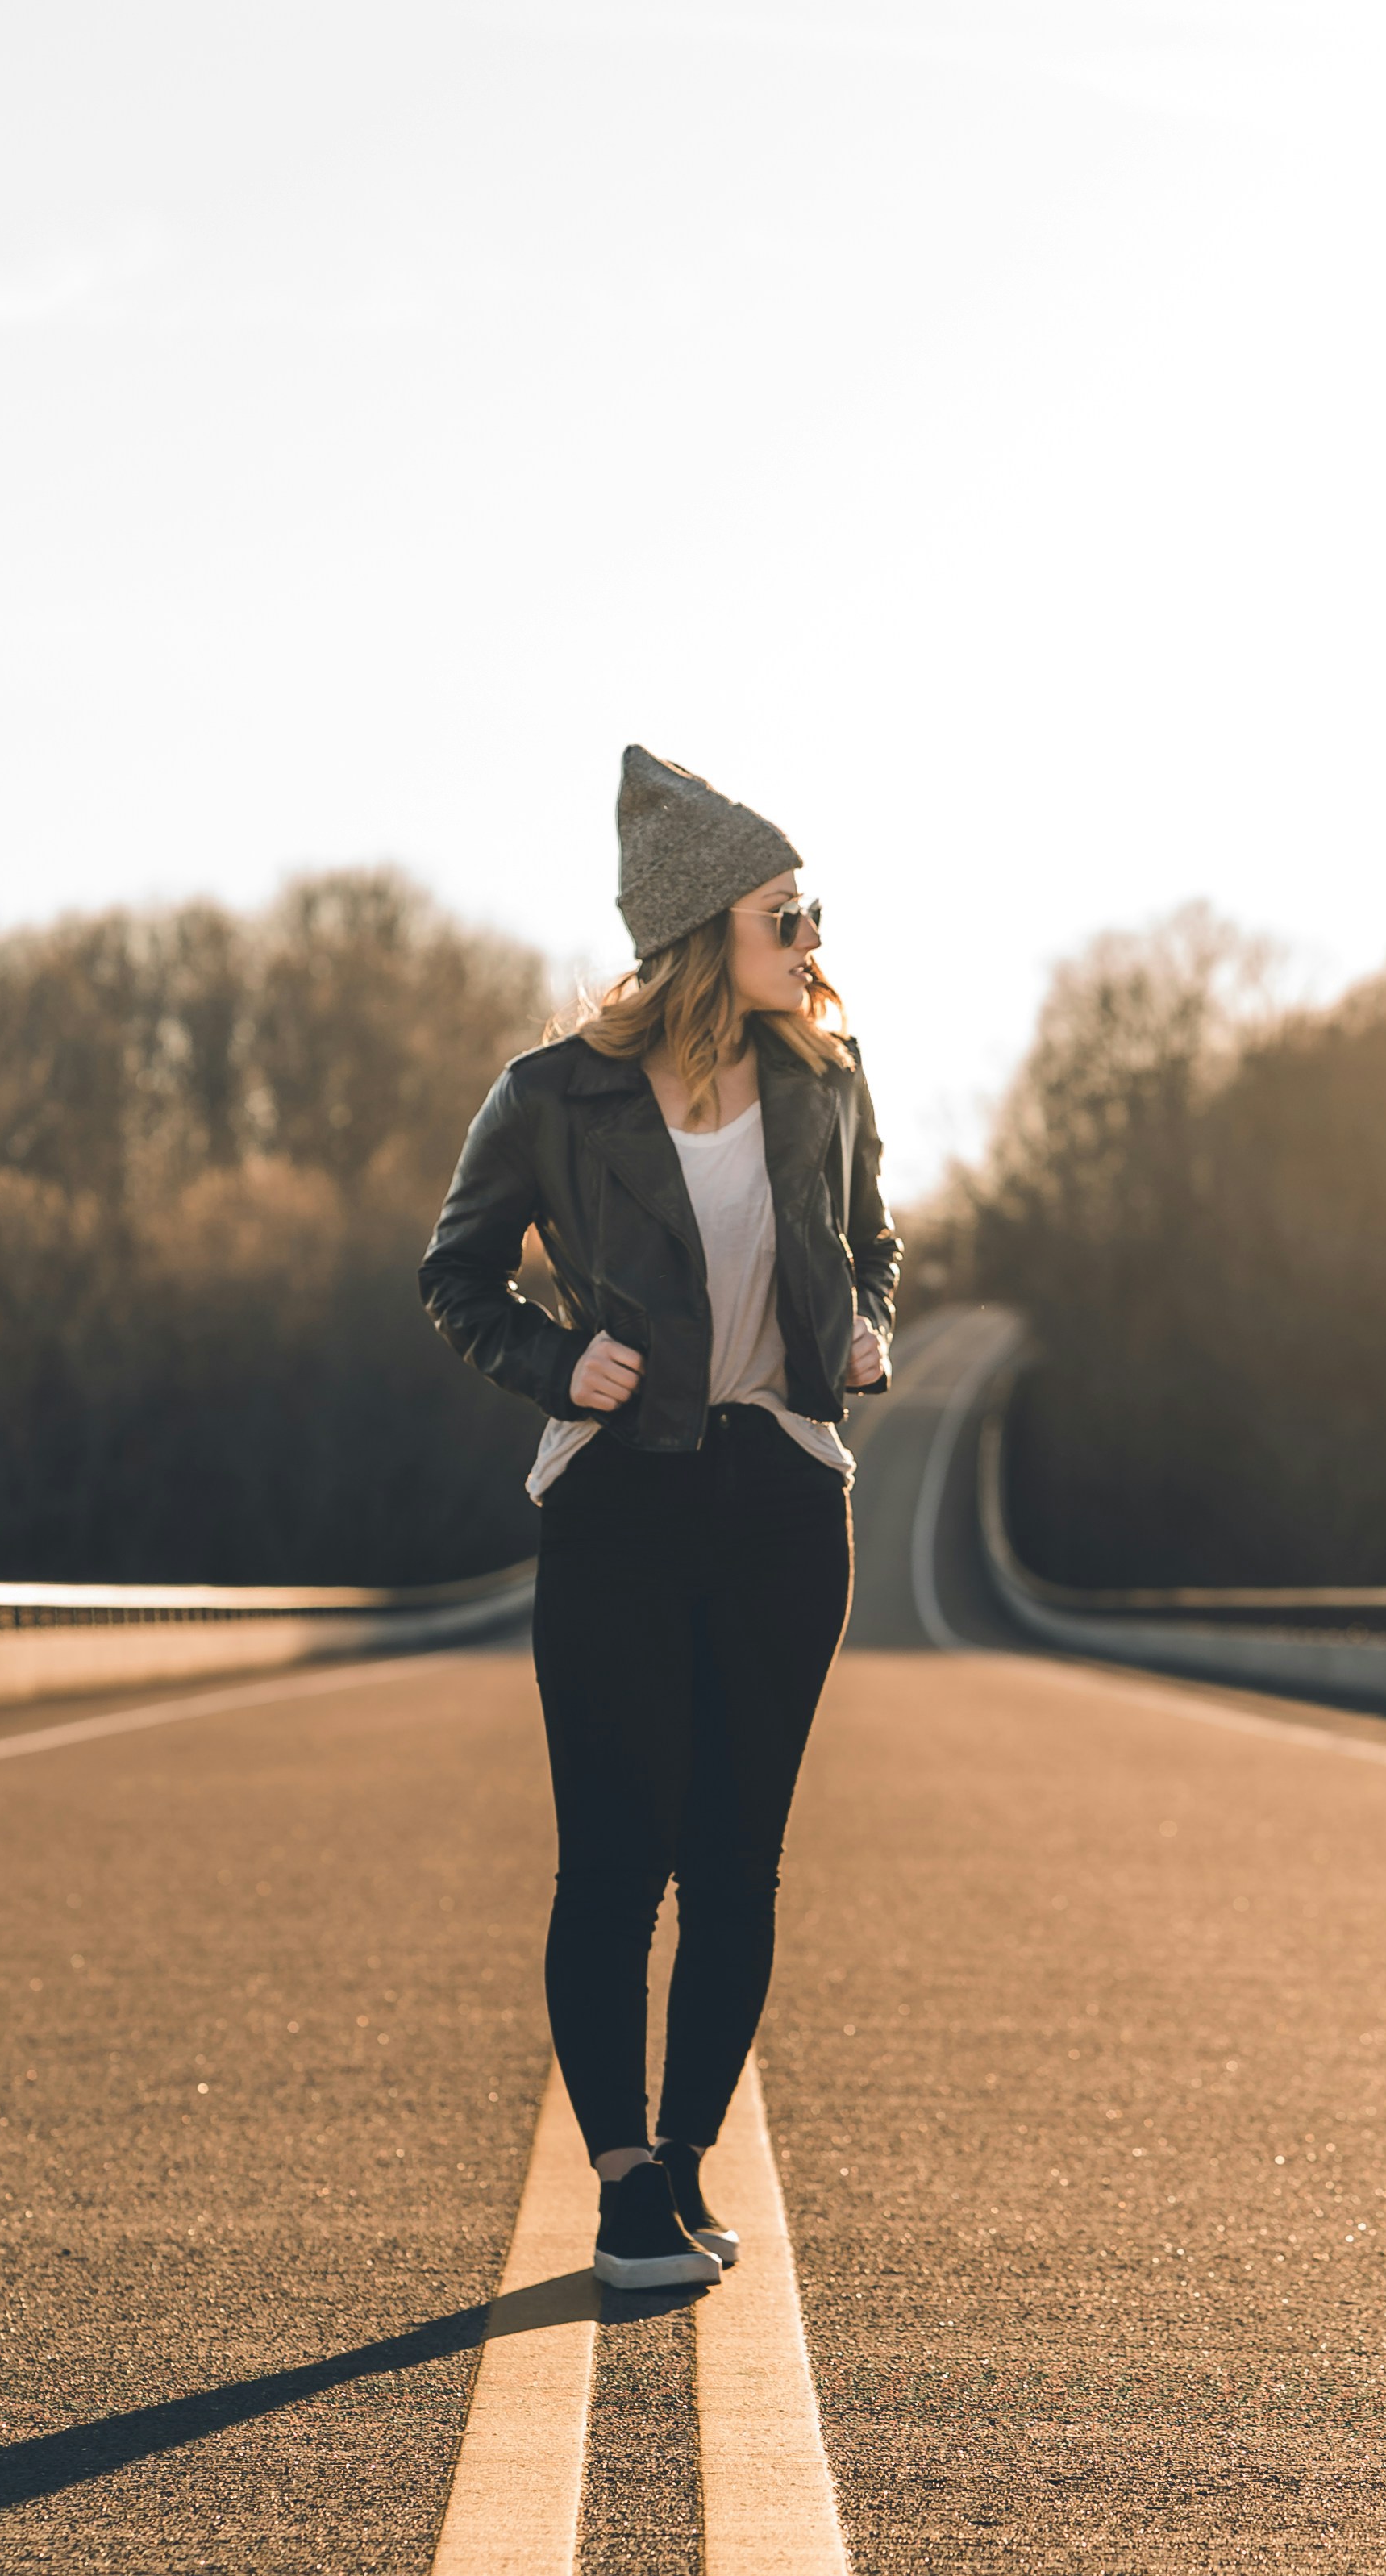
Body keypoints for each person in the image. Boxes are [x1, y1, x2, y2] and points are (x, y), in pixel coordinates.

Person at [420, 747, 901, 2286]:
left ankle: (684, 2159)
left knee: (738, 1864)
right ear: (706, 930)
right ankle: (622, 2183)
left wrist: (863, 1325)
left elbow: (872, 1238)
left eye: (810, 908)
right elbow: (456, 1278)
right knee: (616, 1859)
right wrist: (562, 1361)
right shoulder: (554, 1096)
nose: (813, 936)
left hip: (779, 1497)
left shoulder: (826, 1078)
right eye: (788, 910)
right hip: (622, 1498)